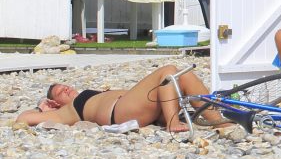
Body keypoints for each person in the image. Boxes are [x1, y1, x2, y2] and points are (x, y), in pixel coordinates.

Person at [17, 65, 234, 133]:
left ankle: (217, 118)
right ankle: (172, 123)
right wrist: (41, 108)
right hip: (119, 113)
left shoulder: (93, 93)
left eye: (65, 86)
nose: (66, 89)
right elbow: (23, 118)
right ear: (56, 102)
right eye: (60, 92)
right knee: (168, 71)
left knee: (180, 74)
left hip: (137, 106)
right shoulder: (67, 110)